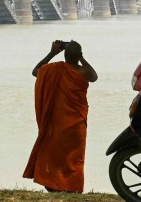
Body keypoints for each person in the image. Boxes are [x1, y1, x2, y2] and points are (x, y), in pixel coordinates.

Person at [22, 40, 98, 193]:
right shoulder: (83, 72)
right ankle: (72, 186)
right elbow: (94, 76)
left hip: (57, 121)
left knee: (54, 153)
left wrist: (51, 53)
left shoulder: (53, 69)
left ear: (64, 54)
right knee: (74, 157)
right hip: (77, 123)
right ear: (79, 55)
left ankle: (53, 185)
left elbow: (35, 71)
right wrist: (81, 57)